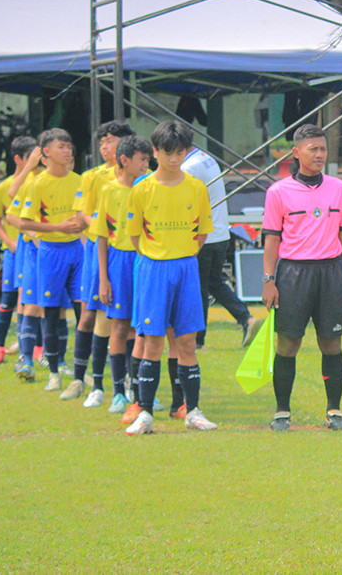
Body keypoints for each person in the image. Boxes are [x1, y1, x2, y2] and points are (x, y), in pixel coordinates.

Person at [261, 125, 342, 431]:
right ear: (296, 152)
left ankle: (334, 411)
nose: (319, 154)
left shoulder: (339, 189)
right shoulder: (278, 192)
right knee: (288, 343)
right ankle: (282, 412)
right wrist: (268, 279)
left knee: (331, 343)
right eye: (312, 149)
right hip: (293, 273)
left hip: (330, 272)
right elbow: (272, 239)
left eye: (323, 149)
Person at [125, 120, 216, 435]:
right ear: (155, 152)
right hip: (153, 268)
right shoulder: (142, 188)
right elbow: (135, 236)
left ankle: (192, 411)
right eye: (167, 152)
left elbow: (202, 232)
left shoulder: (196, 187)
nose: (174, 159)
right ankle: (145, 414)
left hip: (186, 268)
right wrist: (157, 256)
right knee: (152, 343)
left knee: (187, 341)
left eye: (180, 152)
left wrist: (182, 254)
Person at [61, 120, 133, 402]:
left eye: (110, 140)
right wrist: (107, 228)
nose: (104, 146)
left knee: (126, 320)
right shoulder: (91, 177)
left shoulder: (142, 175)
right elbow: (82, 217)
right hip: (99, 250)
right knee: (90, 314)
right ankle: (81, 379)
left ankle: (126, 383)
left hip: (130, 253)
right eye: (101, 141)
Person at [18, 129, 86, 392]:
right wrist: (57, 226)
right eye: (61, 147)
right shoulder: (37, 184)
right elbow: (24, 222)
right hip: (49, 251)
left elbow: (87, 213)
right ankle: (54, 372)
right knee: (49, 310)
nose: (68, 151)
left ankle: (81, 371)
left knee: (83, 310)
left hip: (77, 251)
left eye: (69, 147)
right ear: (46, 152)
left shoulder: (79, 181)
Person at [92, 135, 152, 412]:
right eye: (142, 159)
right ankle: (117, 391)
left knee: (143, 328)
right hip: (119, 261)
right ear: (124, 161)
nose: (147, 164)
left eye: (149, 159)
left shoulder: (152, 185)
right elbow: (102, 238)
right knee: (118, 326)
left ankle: (139, 389)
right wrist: (103, 278)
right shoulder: (109, 191)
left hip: (148, 259)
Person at [181, 145, 261, 350]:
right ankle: (247, 319)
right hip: (220, 234)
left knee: (200, 288)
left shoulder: (189, 167)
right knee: (214, 283)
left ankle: (198, 340)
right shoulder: (206, 158)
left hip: (204, 236)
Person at [0, 135, 37, 365]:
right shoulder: (5, 187)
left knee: (34, 299)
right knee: (8, 298)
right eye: (31, 157)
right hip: (14, 251)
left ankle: (36, 347)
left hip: (33, 247)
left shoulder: (38, 182)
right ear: (19, 159)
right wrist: (9, 242)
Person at [6, 146, 46, 381]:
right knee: (26, 299)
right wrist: (29, 167)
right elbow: (12, 202)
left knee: (50, 303)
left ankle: (43, 351)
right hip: (30, 245)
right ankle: (26, 353)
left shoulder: (66, 179)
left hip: (55, 246)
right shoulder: (31, 179)